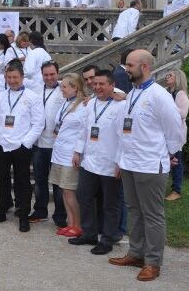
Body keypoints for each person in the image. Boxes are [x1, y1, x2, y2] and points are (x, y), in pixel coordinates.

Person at [109, 50, 184, 282]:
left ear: (145, 67)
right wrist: (121, 159)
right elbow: (125, 130)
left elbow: (175, 130)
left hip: (150, 164)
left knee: (152, 215)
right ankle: (136, 253)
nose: (126, 68)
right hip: (130, 162)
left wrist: (168, 154)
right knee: (134, 210)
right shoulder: (133, 94)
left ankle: (153, 262)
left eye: (130, 65)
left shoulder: (159, 95)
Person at [70, 69, 126, 255]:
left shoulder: (121, 106)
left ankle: (108, 238)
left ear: (112, 86)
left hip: (110, 162)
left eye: (102, 84)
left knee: (110, 203)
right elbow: (83, 130)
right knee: (83, 196)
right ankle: (89, 233)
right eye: (95, 84)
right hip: (89, 161)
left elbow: (124, 137)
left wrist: (120, 162)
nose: (98, 87)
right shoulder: (90, 104)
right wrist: (78, 152)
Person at [0, 61, 44, 232]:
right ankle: (1, 210)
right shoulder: (0, 96)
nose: (12, 81)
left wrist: (26, 144)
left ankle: (23, 214)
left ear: (22, 77)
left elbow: (38, 124)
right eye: (9, 77)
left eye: (15, 77)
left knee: (23, 181)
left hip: (21, 146)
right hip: (2, 145)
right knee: (2, 180)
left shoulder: (32, 98)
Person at [29, 60, 67, 227]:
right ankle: (40, 210)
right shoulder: (35, 90)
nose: (49, 77)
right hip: (38, 143)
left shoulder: (65, 90)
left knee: (58, 183)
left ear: (58, 73)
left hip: (58, 145)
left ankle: (60, 215)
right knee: (39, 180)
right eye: (46, 75)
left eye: (52, 74)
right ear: (41, 75)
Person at [49, 74, 87, 238]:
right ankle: (70, 223)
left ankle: (77, 224)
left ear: (75, 88)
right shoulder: (67, 103)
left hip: (71, 154)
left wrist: (78, 152)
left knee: (70, 191)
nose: (61, 89)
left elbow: (83, 131)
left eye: (64, 87)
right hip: (59, 152)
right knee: (64, 190)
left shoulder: (84, 105)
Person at [164, 68, 189, 201]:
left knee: (176, 161)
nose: (167, 77)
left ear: (178, 78)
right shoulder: (167, 92)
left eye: (170, 75)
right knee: (167, 159)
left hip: (177, 134)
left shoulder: (180, 94)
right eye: (167, 75)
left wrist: (168, 109)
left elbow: (183, 114)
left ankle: (176, 190)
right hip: (167, 132)